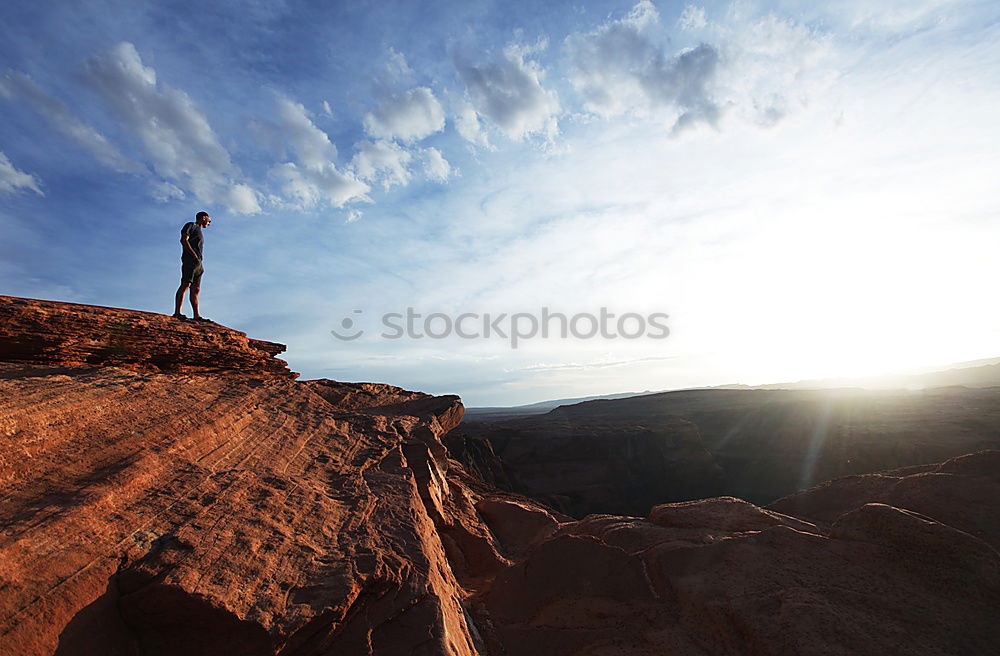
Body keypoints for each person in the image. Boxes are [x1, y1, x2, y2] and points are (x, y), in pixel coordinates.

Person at [172, 211, 211, 321]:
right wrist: (192, 254)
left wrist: (198, 260)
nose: (209, 223)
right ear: (203, 218)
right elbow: (183, 240)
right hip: (190, 261)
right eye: (209, 220)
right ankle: (177, 312)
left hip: (198, 263)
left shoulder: (199, 231)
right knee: (185, 284)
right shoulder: (191, 225)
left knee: (196, 289)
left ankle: (196, 315)